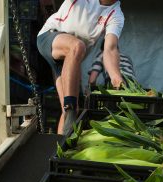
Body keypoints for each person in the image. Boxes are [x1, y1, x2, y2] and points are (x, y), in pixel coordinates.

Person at [37, 0, 125, 135]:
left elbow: (110, 49)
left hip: (70, 60)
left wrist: (116, 77)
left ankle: (59, 149)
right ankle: (71, 106)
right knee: (77, 46)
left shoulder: (116, 14)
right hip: (50, 36)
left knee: (66, 111)